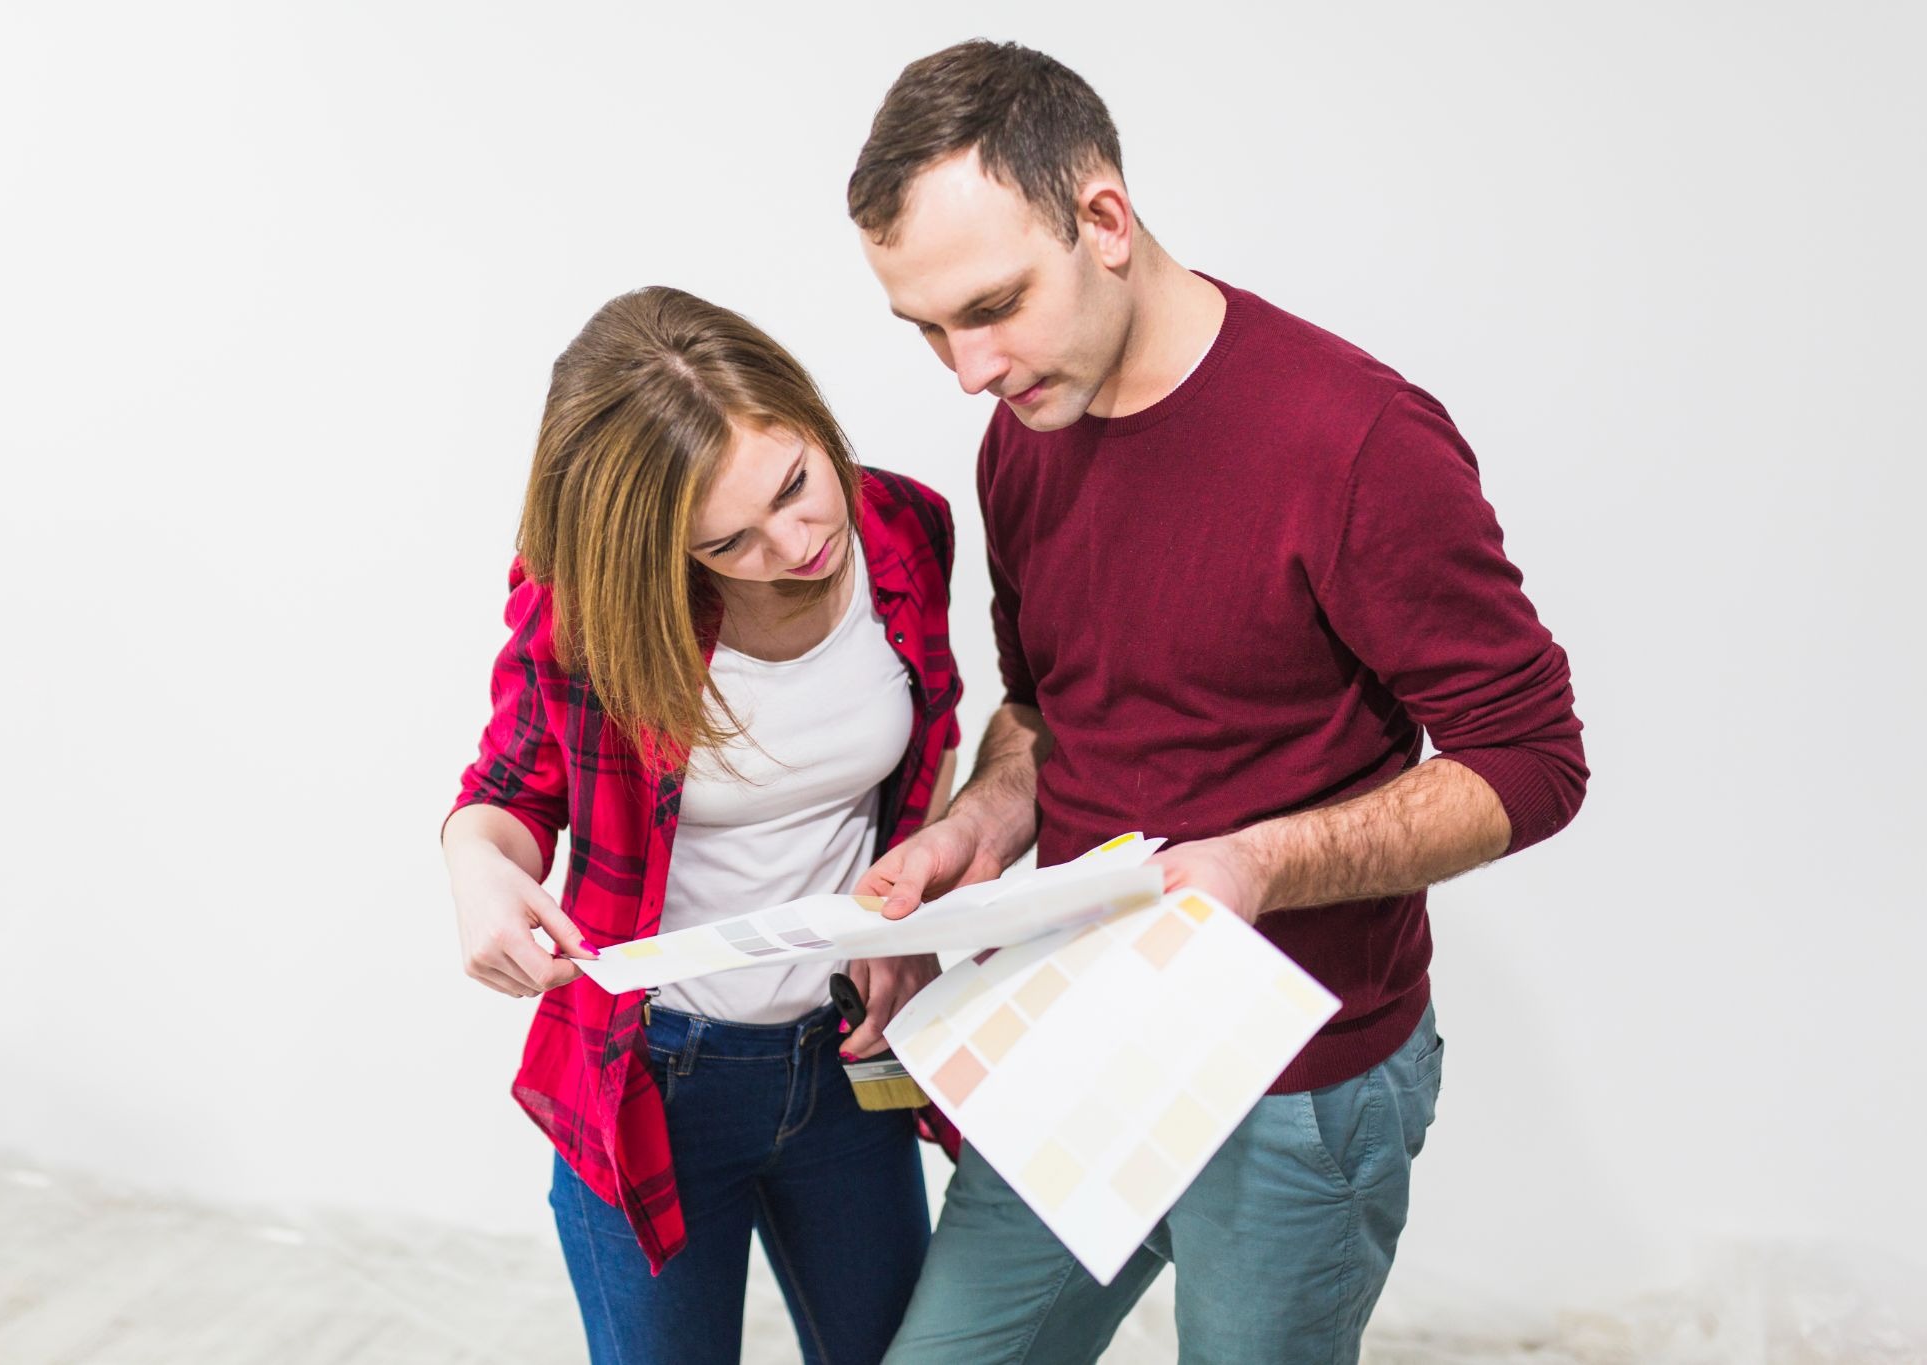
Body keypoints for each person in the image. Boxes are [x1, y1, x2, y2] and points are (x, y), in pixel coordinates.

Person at [846, 41, 1590, 1364]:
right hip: (1078, 1039)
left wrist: (1256, 861)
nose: (967, 368)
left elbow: (1530, 759)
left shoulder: (1355, 443)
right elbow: (1045, 704)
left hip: (1298, 1090)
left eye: (994, 305)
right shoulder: (1026, 427)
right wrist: (980, 822)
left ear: (1107, 222)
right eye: (930, 329)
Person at [441, 286, 964, 1365]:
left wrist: (904, 925)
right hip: (654, 1078)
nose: (797, 541)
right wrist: (476, 866)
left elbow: (929, 738)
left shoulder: (906, 529)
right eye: (731, 541)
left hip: (843, 1064)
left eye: (795, 484)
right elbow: (507, 795)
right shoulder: (593, 613)